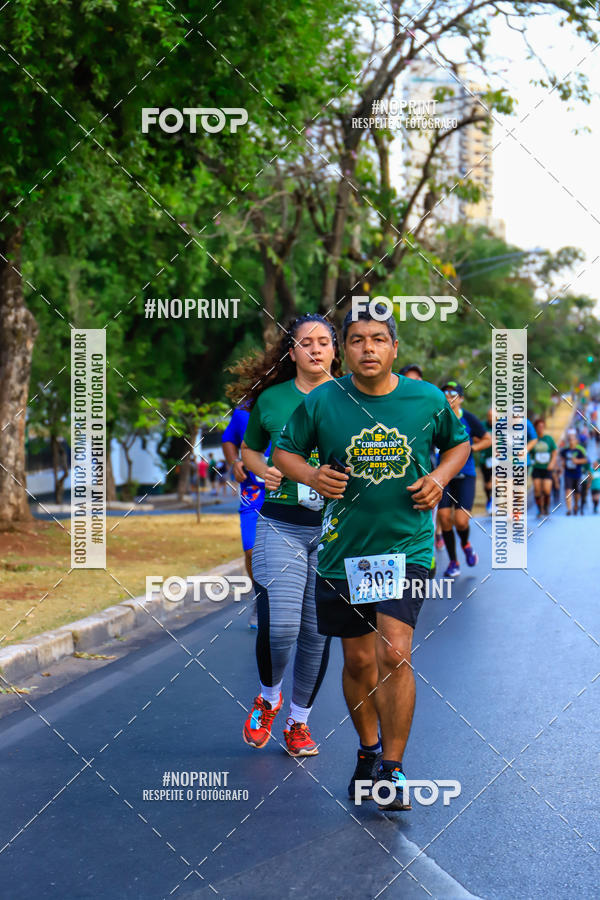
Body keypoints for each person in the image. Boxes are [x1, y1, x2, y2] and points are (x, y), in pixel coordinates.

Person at [274, 303, 470, 810]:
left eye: (378, 339)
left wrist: (439, 478)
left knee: (395, 652)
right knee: (359, 659)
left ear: (394, 348)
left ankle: (394, 769)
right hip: (345, 552)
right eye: (357, 339)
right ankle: (367, 750)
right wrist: (312, 476)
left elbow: (459, 445)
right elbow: (284, 452)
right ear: (345, 348)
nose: (368, 348)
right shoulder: (325, 401)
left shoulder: (426, 399)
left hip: (406, 547)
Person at [229, 313, 342, 757]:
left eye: (324, 342)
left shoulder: (353, 399)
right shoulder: (272, 400)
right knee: (280, 629)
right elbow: (249, 450)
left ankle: (299, 723)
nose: (315, 349)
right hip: (281, 523)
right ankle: (268, 698)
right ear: (291, 351)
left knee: (316, 634)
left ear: (336, 349)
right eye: (305, 343)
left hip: (335, 533)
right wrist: (262, 471)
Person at [436, 381, 491, 578]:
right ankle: (453, 561)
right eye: (445, 394)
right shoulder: (437, 416)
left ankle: (466, 545)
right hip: (443, 475)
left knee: (460, 520)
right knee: (443, 518)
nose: (449, 398)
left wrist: (471, 449)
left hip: (466, 474)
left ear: (461, 398)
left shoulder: (468, 418)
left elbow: (488, 439)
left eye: (453, 394)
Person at [222, 408, 270, 628]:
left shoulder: (295, 399)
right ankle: (261, 598)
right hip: (254, 493)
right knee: (251, 549)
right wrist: (234, 462)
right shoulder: (244, 412)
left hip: (291, 490)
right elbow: (228, 440)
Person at [527, 418, 557, 518]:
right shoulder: (532, 440)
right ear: (535, 427)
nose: (540, 428)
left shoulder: (548, 439)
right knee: (537, 489)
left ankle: (546, 507)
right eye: (538, 426)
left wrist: (552, 463)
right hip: (536, 467)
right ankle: (540, 509)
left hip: (547, 468)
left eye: (542, 426)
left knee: (547, 489)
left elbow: (554, 452)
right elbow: (528, 451)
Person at [559, 429, 587, 515]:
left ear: (576, 441)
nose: (571, 441)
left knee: (577, 493)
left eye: (573, 439)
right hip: (568, 473)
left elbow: (585, 460)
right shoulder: (565, 450)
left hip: (577, 473)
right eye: (570, 440)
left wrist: (577, 461)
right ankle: (569, 509)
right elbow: (561, 459)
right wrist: (562, 465)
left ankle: (576, 505)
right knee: (568, 490)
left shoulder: (580, 450)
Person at [479, 408, 494, 514]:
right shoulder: (482, 425)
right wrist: (487, 440)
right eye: (489, 415)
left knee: (495, 480)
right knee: (487, 483)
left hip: (499, 458)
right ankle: (489, 498)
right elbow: (475, 438)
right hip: (485, 459)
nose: (491, 418)